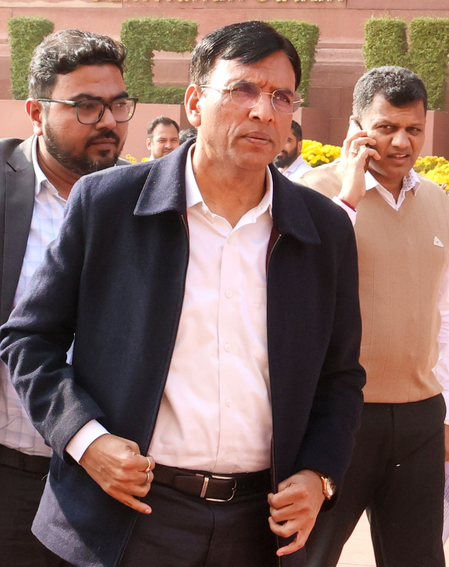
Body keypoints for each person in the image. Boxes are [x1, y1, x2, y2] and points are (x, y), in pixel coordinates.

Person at [0, 21, 365, 567]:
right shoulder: (109, 204)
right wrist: (85, 439)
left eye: (281, 97)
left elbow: (341, 377)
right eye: (242, 89)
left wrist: (319, 474)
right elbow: (29, 339)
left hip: (259, 526)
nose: (263, 111)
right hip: (130, 515)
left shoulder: (323, 229)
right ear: (195, 103)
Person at [300, 66, 449, 567]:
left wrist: (446, 409)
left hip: (420, 417)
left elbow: (443, 311)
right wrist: (349, 193)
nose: (401, 142)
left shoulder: (438, 201)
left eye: (413, 129)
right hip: (338, 417)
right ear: (357, 127)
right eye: (386, 127)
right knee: (308, 556)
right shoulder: (312, 193)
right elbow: (299, 290)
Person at [0, 28, 133, 567]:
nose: (108, 121)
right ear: (36, 112)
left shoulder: (144, 202)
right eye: (85, 106)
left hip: (108, 487)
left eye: (118, 104)